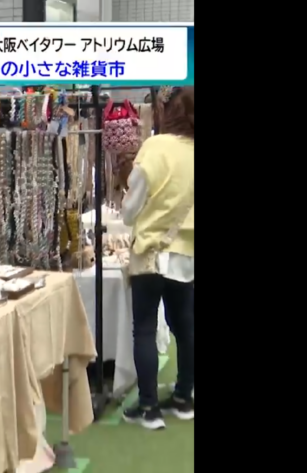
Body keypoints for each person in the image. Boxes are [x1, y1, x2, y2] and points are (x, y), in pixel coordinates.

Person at [120, 86, 195, 430]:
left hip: (150, 252)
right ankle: (183, 398)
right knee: (186, 327)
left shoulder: (156, 146)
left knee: (145, 329)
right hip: (186, 254)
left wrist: (131, 209)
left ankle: (149, 408)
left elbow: (131, 207)